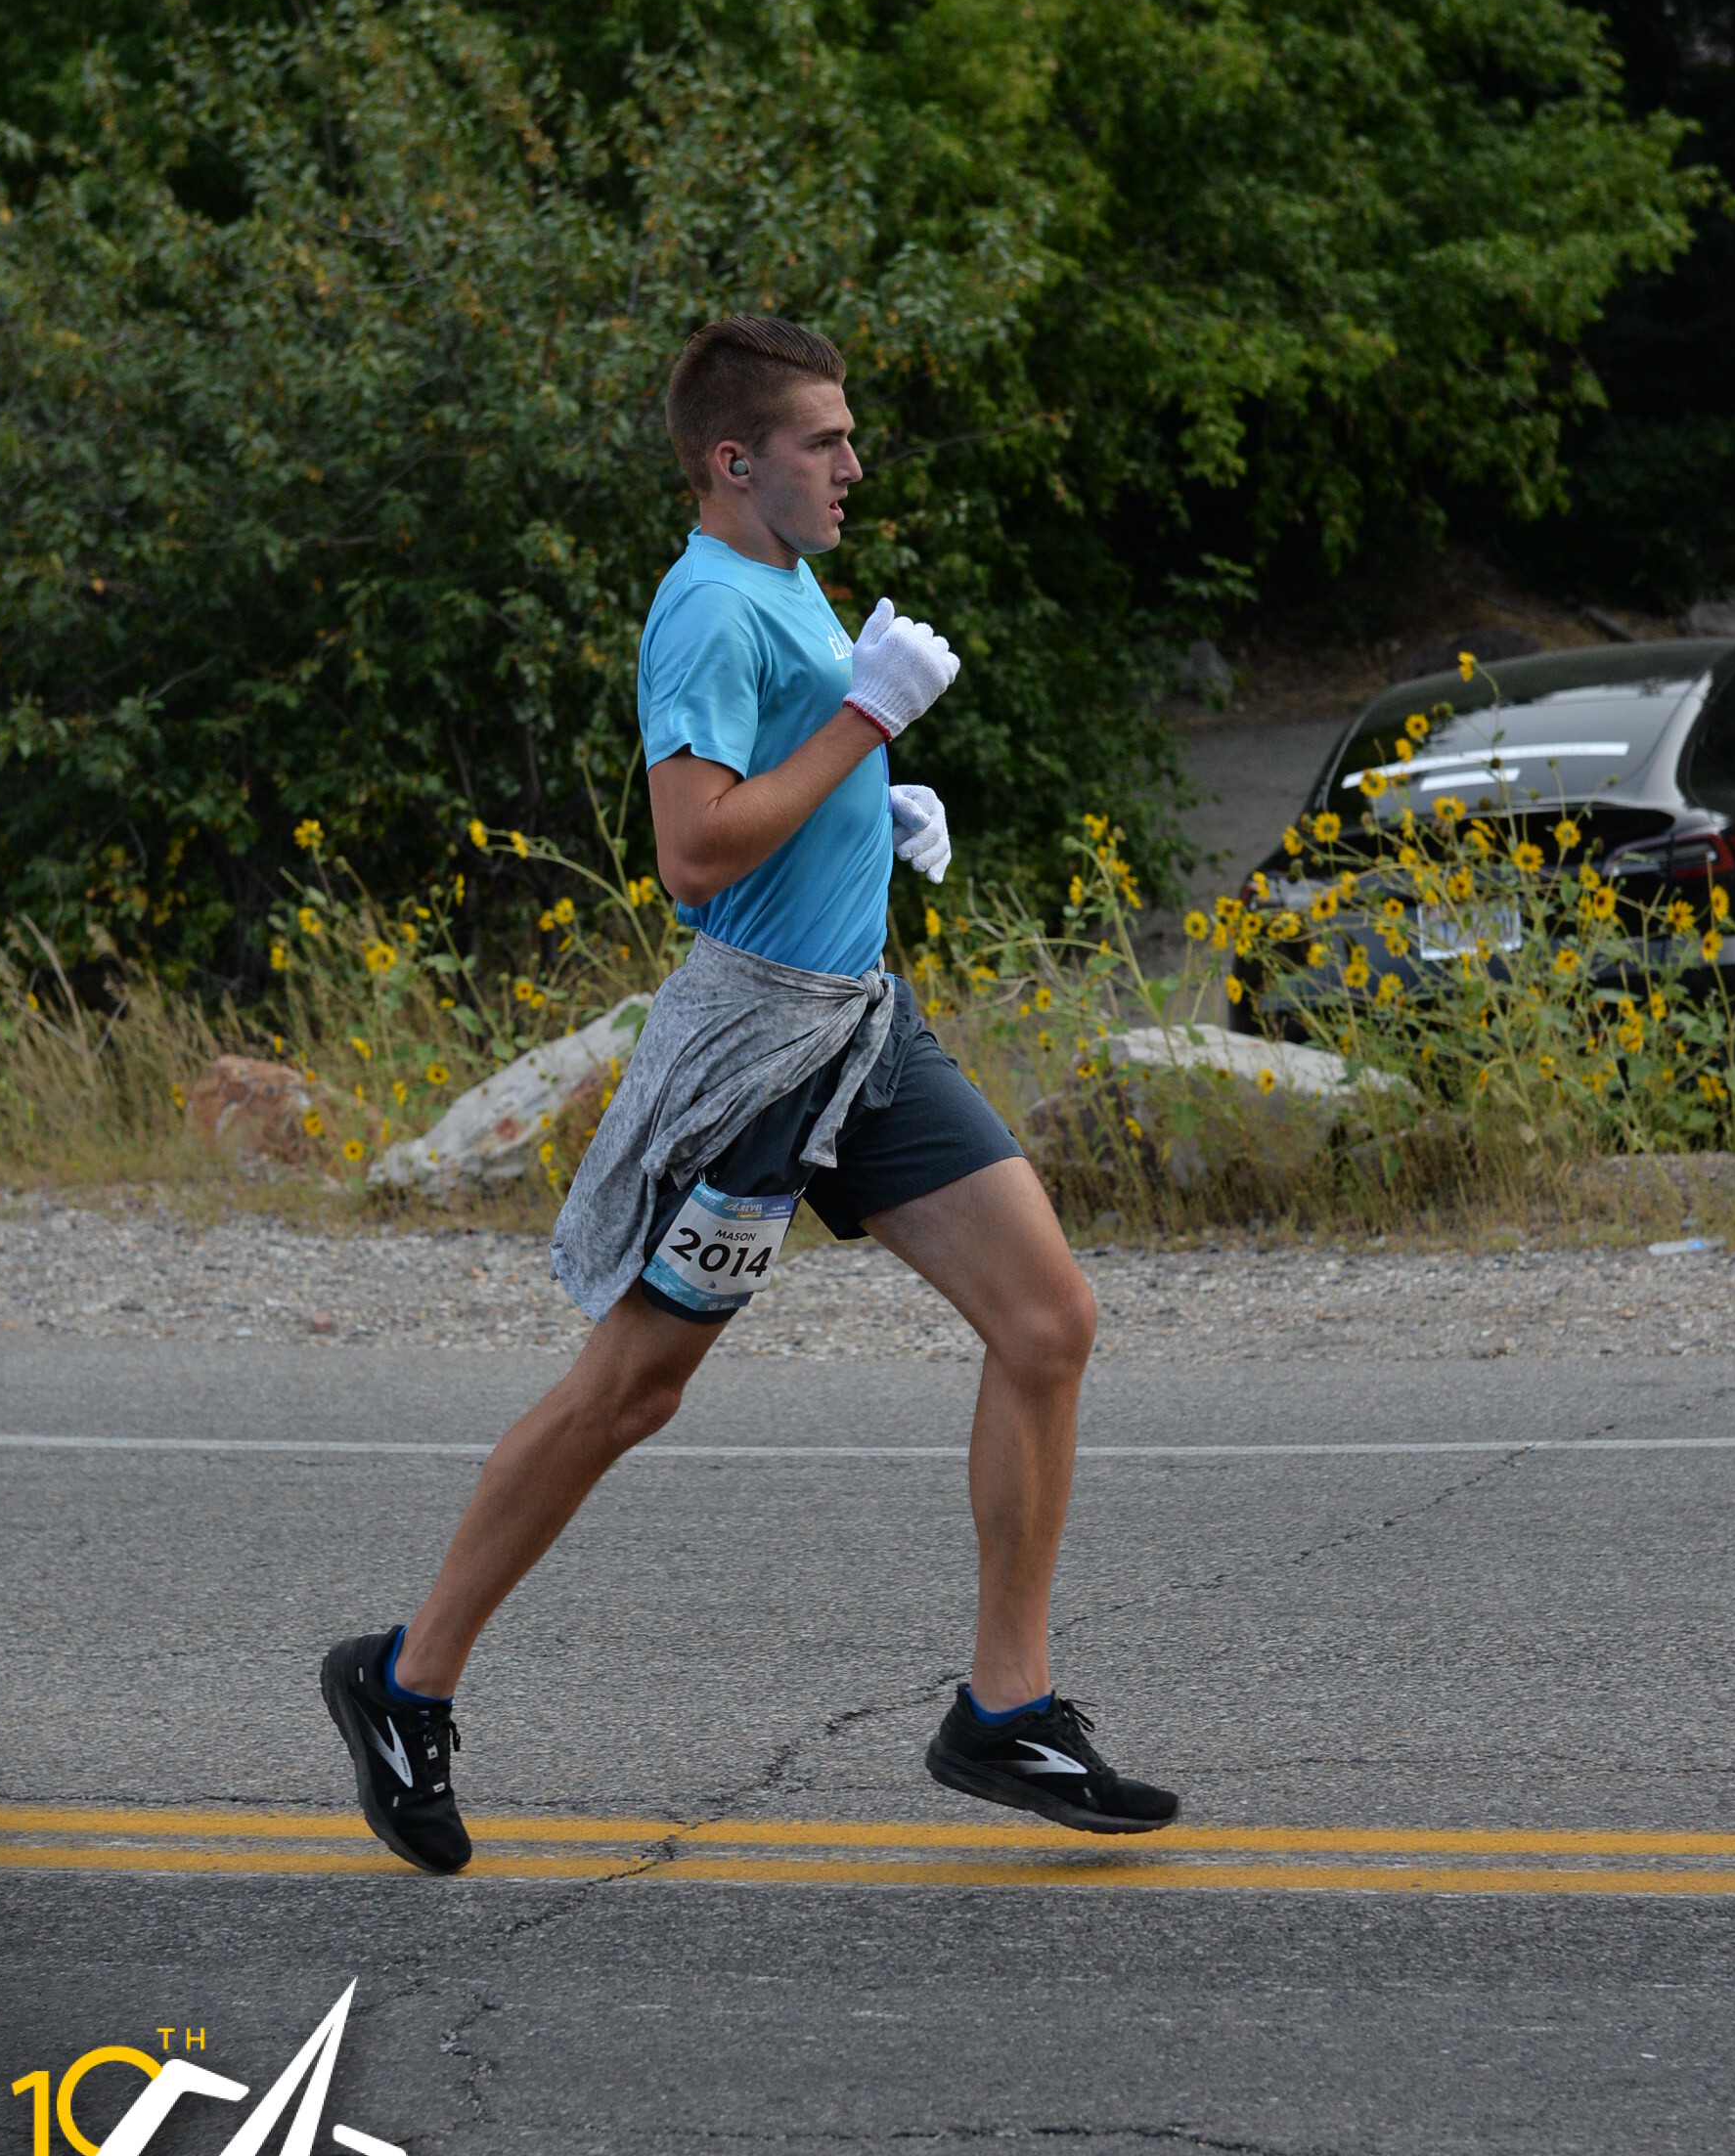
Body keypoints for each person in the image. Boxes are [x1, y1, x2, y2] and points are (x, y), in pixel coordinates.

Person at [323, 314, 1178, 1872]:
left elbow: (777, 783)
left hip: (861, 1029)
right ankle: (402, 1680)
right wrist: (868, 723)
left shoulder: (786, 573)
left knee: (1049, 1323)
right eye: (823, 442)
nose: (853, 465)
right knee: (631, 1393)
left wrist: (872, 800)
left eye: (848, 438)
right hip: (756, 1060)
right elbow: (694, 851)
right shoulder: (710, 606)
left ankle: (1004, 1709)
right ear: (736, 461)